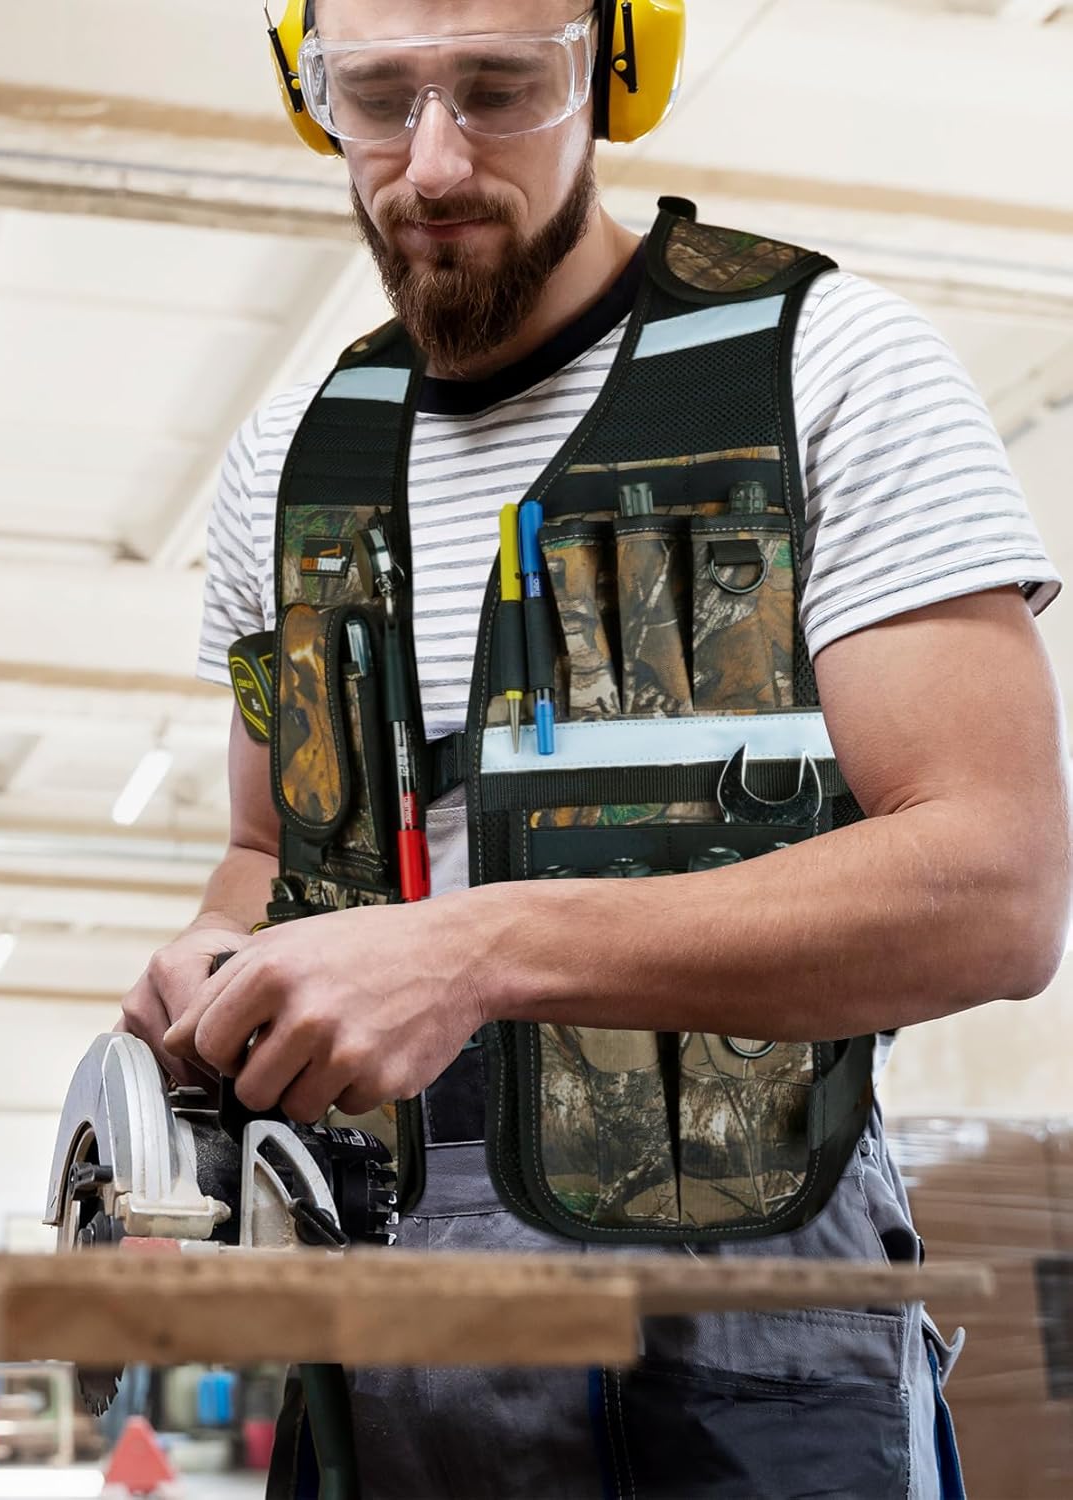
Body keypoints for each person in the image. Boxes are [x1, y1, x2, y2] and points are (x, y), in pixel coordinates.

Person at [119, 1, 1068, 1495]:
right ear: (314, 99)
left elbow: (998, 891)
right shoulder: (292, 461)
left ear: (619, 70)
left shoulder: (822, 367)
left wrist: (481, 949)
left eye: (500, 87)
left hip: (752, 1338)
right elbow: (266, 854)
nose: (433, 162)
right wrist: (212, 960)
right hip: (379, 1343)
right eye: (377, 97)